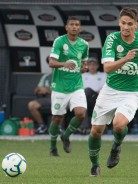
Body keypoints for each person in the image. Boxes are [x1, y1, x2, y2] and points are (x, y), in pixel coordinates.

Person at [88, 7, 138, 176]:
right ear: (119, 23)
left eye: (130, 24)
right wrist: (125, 58)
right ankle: (94, 165)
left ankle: (116, 147)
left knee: (119, 124)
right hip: (109, 91)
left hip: (131, 93)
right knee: (95, 131)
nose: (126, 27)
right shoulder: (112, 39)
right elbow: (107, 68)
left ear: (136, 25)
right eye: (123, 23)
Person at [48, 16, 89, 156]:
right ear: (66, 27)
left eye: (77, 25)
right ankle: (53, 146)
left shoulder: (84, 44)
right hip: (59, 86)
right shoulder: (59, 41)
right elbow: (52, 62)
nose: (74, 27)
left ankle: (66, 136)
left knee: (81, 114)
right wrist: (64, 64)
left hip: (76, 85)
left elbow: (84, 63)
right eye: (71, 24)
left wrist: (84, 68)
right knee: (57, 118)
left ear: (80, 28)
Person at [80, 57, 106, 134]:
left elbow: (106, 87)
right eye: (90, 65)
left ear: (97, 66)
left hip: (98, 97)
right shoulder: (83, 76)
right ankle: (84, 128)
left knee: (87, 91)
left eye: (94, 65)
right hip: (85, 99)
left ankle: (85, 128)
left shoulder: (103, 75)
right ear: (87, 66)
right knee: (83, 101)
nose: (92, 67)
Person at [28, 57, 52, 134]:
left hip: (59, 98)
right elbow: (37, 89)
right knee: (32, 105)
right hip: (47, 99)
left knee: (61, 103)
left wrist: (47, 90)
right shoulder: (46, 76)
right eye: (50, 62)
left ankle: (59, 127)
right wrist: (39, 90)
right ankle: (42, 126)